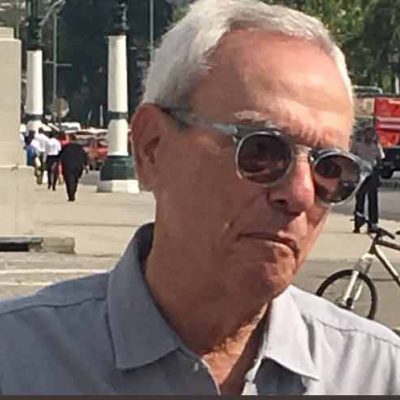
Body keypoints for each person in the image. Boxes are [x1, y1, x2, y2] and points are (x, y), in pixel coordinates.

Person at [0, 0, 398, 395]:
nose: (300, 194)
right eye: (261, 151)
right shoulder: (19, 360)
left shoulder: (376, 375)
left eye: (331, 169)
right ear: (152, 148)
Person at [351, 126, 385, 233]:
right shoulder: (358, 145)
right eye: (368, 133)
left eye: (372, 134)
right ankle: (358, 223)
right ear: (364, 134)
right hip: (361, 173)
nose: (370, 136)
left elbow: (380, 159)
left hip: (371, 173)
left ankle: (372, 224)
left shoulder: (376, 146)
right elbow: (352, 157)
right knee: (360, 200)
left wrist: (378, 170)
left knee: (373, 200)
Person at [59, 133, 88, 201]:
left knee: (69, 181)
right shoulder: (80, 148)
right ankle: (73, 193)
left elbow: (61, 157)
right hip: (78, 166)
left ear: (70, 139)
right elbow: (84, 157)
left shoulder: (66, 147)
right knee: (75, 180)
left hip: (68, 166)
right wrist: (85, 165)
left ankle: (71, 195)